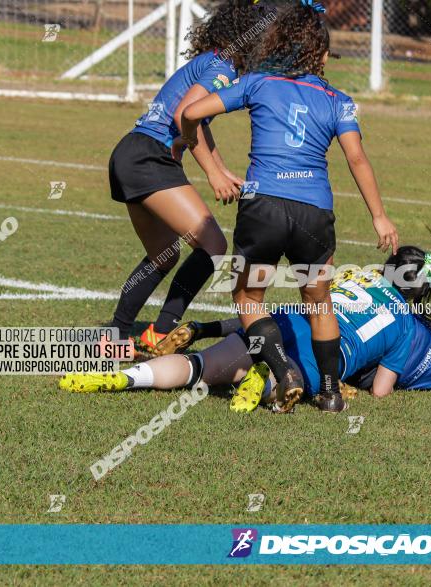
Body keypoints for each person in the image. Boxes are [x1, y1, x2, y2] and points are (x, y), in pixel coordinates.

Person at [60, 228, 431, 408]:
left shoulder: (373, 285)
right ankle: (244, 373)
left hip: (294, 321)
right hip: (321, 361)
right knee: (216, 369)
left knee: (252, 330)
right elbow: (387, 386)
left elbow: (307, 301)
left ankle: (190, 350)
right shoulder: (419, 337)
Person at [174, 1, 398, 414]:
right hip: (315, 214)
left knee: (247, 296)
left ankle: (283, 371)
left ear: (276, 44)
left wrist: (192, 142)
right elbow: (357, 159)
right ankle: (330, 394)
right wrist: (379, 216)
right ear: (323, 56)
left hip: (264, 208)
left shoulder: (258, 82)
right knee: (319, 302)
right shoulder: (339, 100)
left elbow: (190, 112)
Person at [105, 0, 268, 353]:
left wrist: (222, 169)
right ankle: (161, 331)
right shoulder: (222, 68)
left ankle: (116, 336)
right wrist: (212, 175)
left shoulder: (213, 60)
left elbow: (199, 125)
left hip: (131, 153)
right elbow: (185, 116)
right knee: (214, 245)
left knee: (163, 253)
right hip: (150, 157)